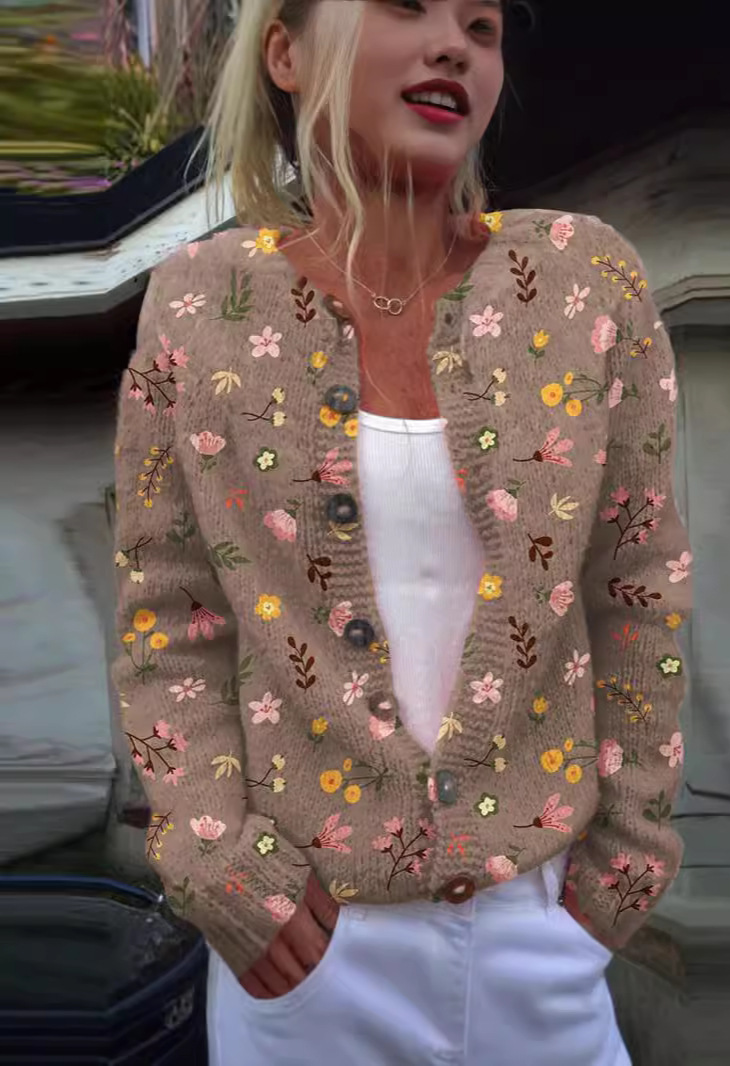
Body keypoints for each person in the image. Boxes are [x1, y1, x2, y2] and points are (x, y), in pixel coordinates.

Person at [112, 1, 692, 1063]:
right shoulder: (200, 305)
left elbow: (638, 583)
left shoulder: (581, 283)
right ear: (285, 52)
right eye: (406, 6)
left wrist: (623, 864)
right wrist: (216, 860)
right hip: (305, 947)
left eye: (482, 24)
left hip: (543, 930)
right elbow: (170, 617)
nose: (453, 44)